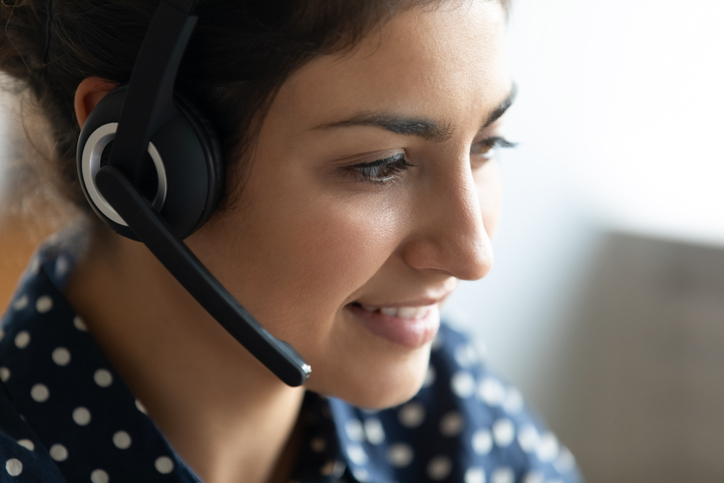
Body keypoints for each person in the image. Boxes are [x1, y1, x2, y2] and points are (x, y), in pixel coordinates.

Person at [0, 1, 584, 482]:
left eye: (489, 145)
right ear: (140, 162)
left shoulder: (449, 402)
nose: (473, 255)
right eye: (381, 165)